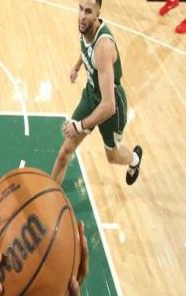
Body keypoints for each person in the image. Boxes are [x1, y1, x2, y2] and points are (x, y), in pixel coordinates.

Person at [51, 0, 143, 185]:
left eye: (88, 12)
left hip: (111, 106)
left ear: (98, 14)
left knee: (113, 157)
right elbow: (86, 47)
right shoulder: (85, 28)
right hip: (92, 95)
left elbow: (108, 106)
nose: (82, 16)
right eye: (80, 9)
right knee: (65, 151)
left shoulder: (104, 47)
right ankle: (49, 193)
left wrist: (79, 126)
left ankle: (134, 160)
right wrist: (77, 66)